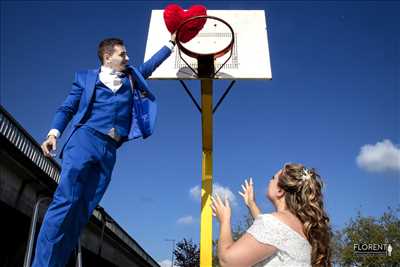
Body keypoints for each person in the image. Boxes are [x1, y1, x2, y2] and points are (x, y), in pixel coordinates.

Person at [34, 33, 176, 267]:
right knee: (65, 202)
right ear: (108, 56)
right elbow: (67, 108)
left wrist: (172, 42)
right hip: (84, 139)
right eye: (123, 54)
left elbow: (150, 65)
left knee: (82, 213)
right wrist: (53, 134)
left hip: (109, 150)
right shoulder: (84, 78)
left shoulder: (131, 78)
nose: (128, 57)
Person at [211, 163, 332, 267]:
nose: (270, 180)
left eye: (273, 177)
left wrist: (224, 219)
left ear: (280, 191)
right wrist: (251, 204)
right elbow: (273, 235)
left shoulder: (275, 224)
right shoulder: (304, 229)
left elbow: (227, 261)